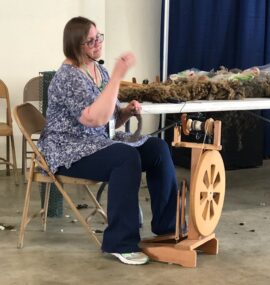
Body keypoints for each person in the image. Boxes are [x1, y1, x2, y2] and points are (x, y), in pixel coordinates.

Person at [37, 16, 178, 265]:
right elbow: (93, 119)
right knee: (125, 158)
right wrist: (117, 76)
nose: (97, 44)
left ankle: (167, 227)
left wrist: (125, 112)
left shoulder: (97, 69)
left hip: (97, 141)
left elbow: (110, 119)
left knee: (158, 148)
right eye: (90, 41)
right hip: (69, 149)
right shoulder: (68, 77)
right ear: (74, 46)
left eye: (98, 37)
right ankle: (120, 242)